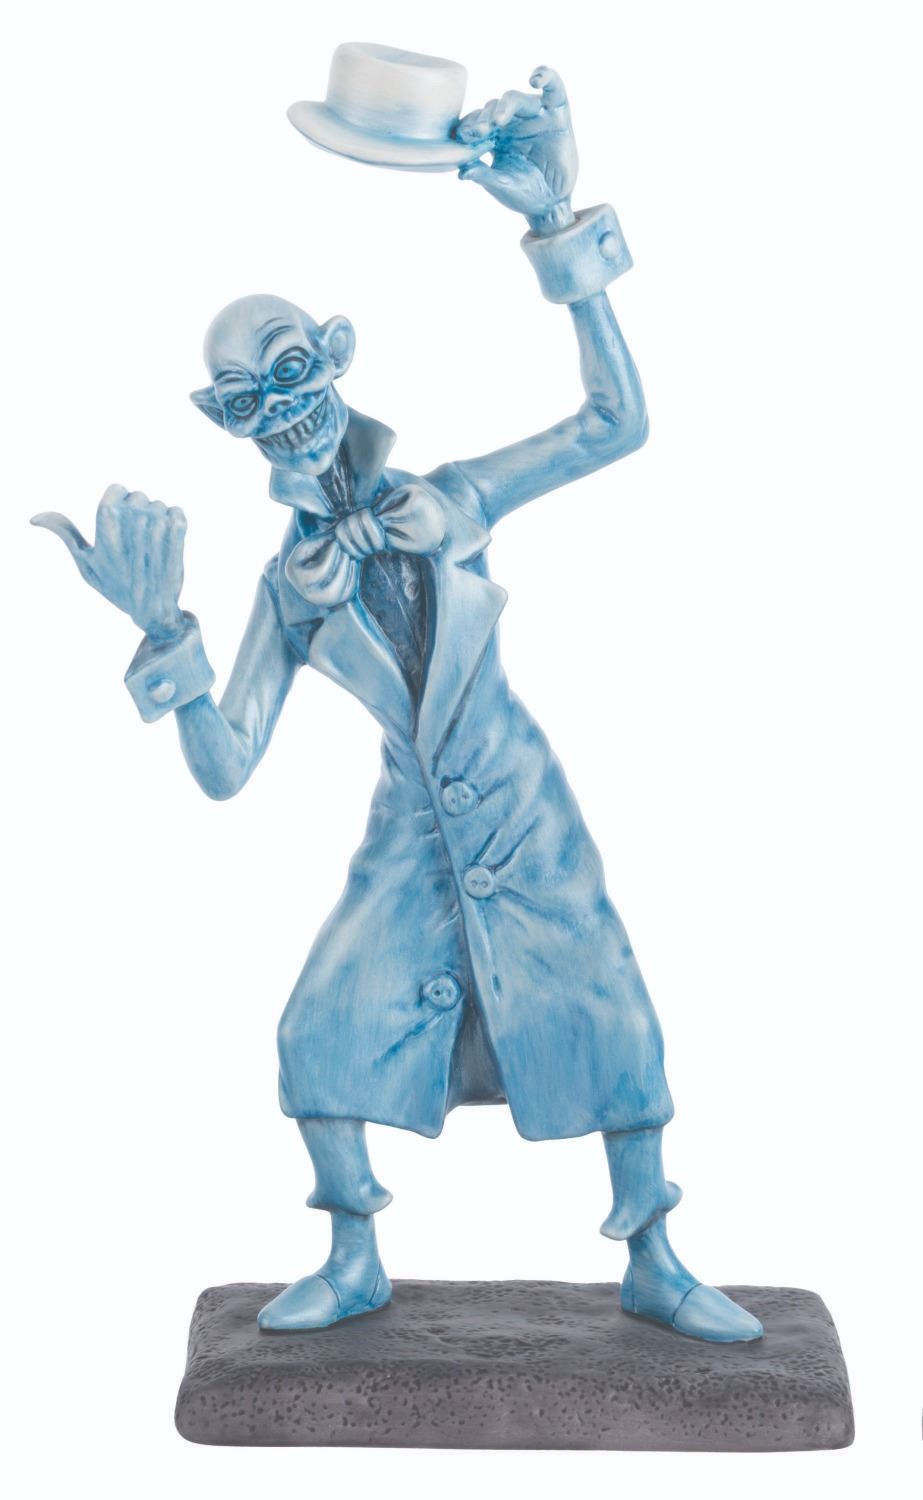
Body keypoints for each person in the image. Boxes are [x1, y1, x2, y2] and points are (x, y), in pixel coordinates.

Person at [33, 67, 761, 1342]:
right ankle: (353, 1255)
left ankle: (652, 1254)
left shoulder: (451, 499)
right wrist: (166, 635)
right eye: (250, 401)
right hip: (409, 836)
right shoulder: (289, 589)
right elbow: (226, 765)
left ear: (335, 357)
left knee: (605, 1009)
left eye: (292, 372)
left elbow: (614, 422)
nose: (284, 415)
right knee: (322, 1025)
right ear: (227, 424)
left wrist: (558, 229)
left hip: (524, 813)